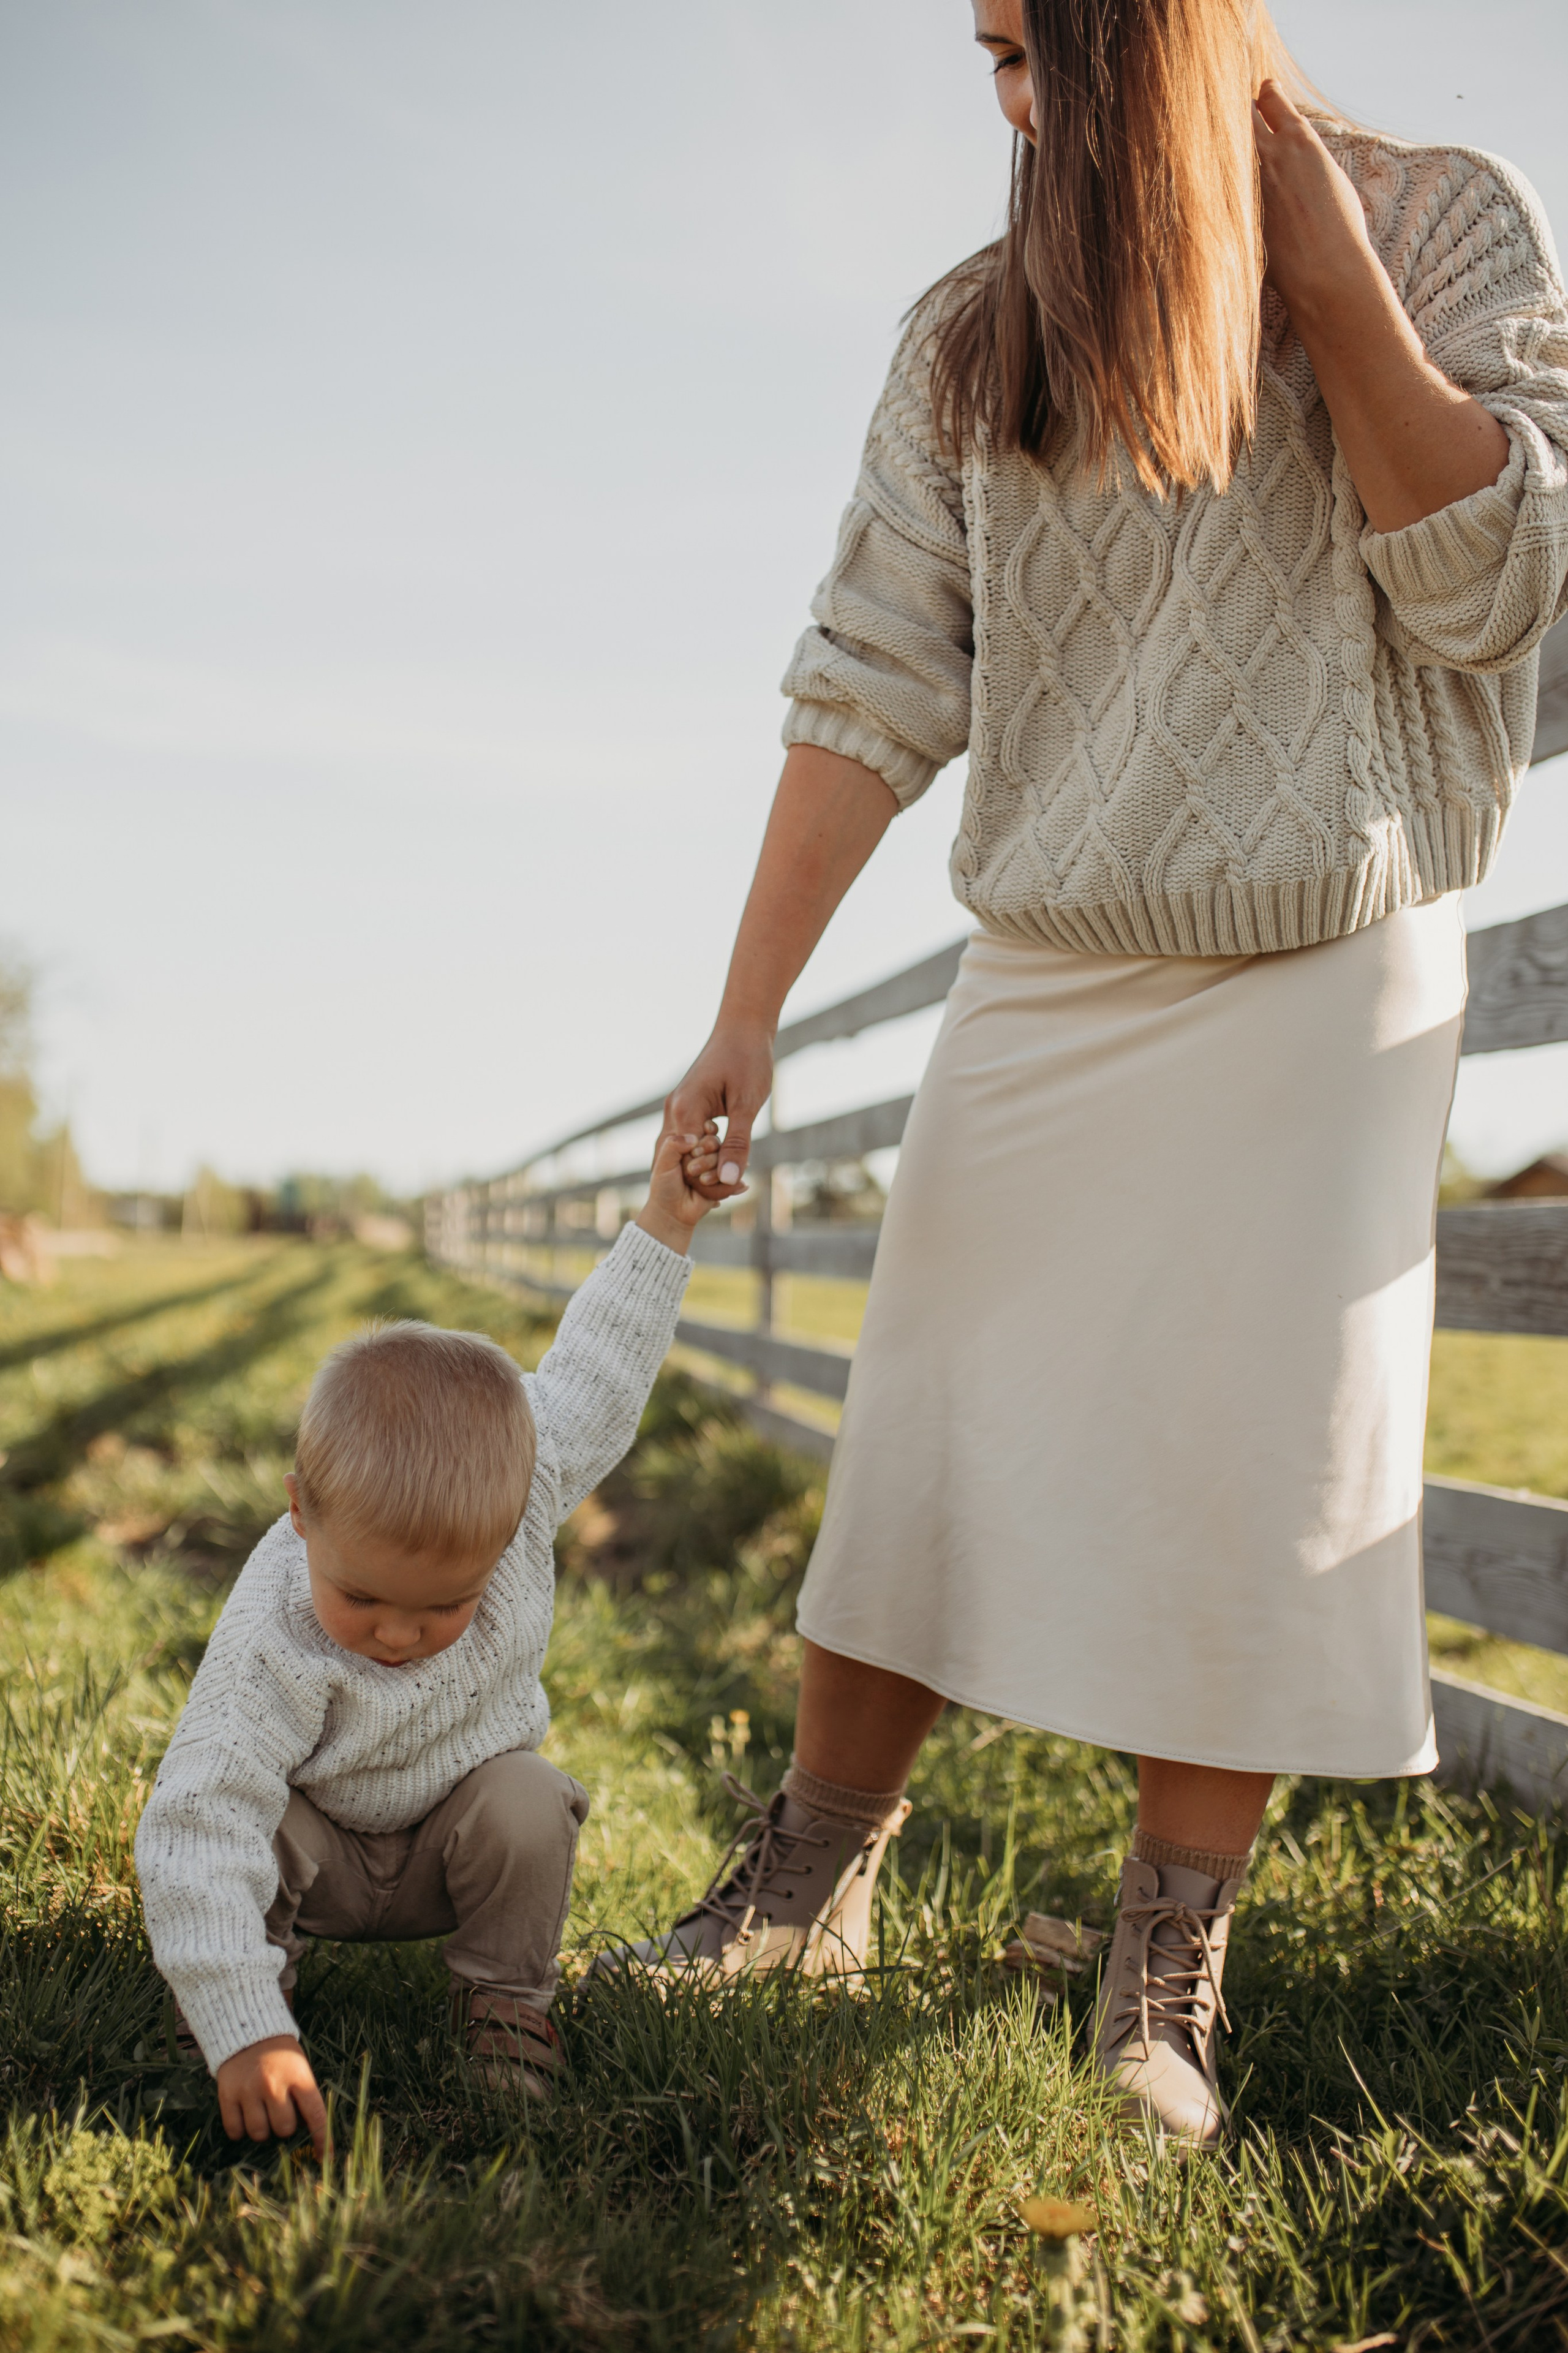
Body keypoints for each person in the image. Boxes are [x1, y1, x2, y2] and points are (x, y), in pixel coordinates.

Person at [606, 0, 1568, 2145]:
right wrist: (745, 1006)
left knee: (1261, 1461)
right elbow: (870, 669)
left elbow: (1513, 594)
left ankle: (1163, 1969)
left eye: (1049, 51)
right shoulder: (978, 327)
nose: (1020, 102)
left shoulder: (1446, 229)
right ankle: (811, 1875)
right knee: (927, 1404)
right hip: (1050, 959)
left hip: (1331, 961)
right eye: (993, 62)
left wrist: (1324, 276)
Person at [135, 1127, 719, 2155]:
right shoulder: (272, 1624)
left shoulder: (523, 1489)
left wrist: (667, 1218)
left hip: (457, 1846)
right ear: (302, 1514)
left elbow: (600, 1369)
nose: (399, 1633)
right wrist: (245, 2027)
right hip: (316, 1853)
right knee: (244, 1819)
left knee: (532, 1796)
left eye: (447, 1602)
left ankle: (502, 2002)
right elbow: (201, 1816)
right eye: (361, 1596)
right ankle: (247, 2000)